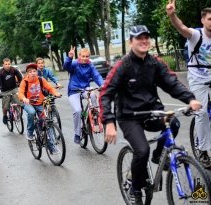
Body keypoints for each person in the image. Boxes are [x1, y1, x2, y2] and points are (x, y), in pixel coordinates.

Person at [99, 25, 202, 205]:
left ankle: (158, 156)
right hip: (129, 116)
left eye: (147, 37)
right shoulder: (122, 66)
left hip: (152, 111)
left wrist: (190, 99)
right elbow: (105, 93)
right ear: (131, 42)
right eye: (139, 38)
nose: (144, 41)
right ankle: (136, 189)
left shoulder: (155, 63)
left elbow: (171, 83)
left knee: (174, 123)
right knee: (141, 150)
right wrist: (109, 122)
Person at [166, 0, 211, 169]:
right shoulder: (196, 35)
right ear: (203, 20)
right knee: (202, 113)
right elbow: (182, 28)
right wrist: (172, 16)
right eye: (210, 19)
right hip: (197, 79)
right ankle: (203, 150)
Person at [63, 47, 104, 144]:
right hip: (74, 90)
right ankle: (77, 133)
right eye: (83, 56)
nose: (85, 58)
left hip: (85, 88)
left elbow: (97, 76)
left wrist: (102, 85)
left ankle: (94, 115)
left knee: (93, 94)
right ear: (79, 56)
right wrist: (69, 57)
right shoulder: (74, 64)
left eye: (87, 56)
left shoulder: (90, 65)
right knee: (77, 111)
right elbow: (66, 67)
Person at [18, 64, 61, 146]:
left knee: (45, 121)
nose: (33, 73)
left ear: (37, 72)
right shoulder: (24, 82)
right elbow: (20, 93)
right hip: (28, 103)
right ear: (27, 74)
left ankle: (50, 144)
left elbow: (50, 88)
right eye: (30, 72)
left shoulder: (41, 79)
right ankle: (30, 132)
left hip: (40, 103)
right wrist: (24, 98)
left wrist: (56, 93)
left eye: (34, 71)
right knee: (31, 112)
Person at [0, 58, 23, 125]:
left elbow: (20, 78)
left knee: (19, 101)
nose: (7, 65)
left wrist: (21, 86)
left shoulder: (13, 70)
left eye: (9, 64)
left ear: (10, 64)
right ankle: (4, 116)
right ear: (3, 65)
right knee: (5, 105)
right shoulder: (0, 73)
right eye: (6, 64)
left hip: (14, 88)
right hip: (5, 91)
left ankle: (18, 113)